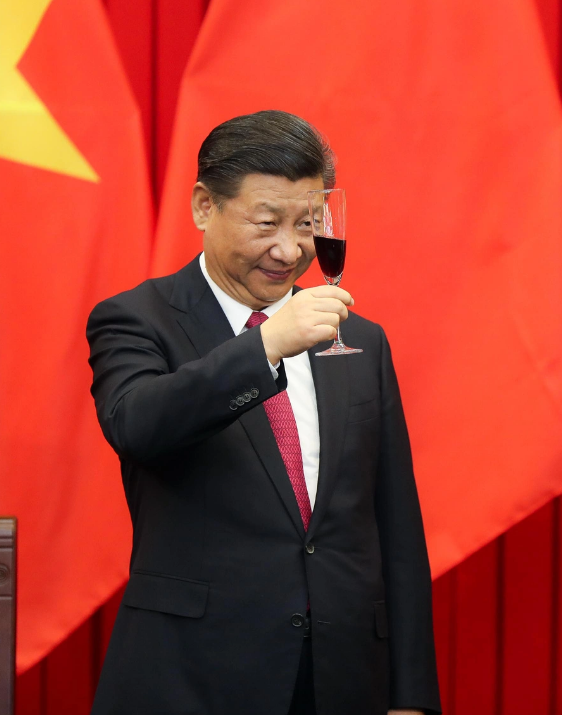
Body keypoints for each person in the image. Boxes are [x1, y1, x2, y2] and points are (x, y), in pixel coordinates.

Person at [86, 111, 439, 715]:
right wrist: (267, 345)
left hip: (340, 678)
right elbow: (138, 425)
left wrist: (410, 694)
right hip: (190, 677)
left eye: (307, 224)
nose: (289, 249)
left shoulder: (361, 342)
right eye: (267, 223)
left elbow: (394, 524)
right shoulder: (138, 319)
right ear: (204, 206)